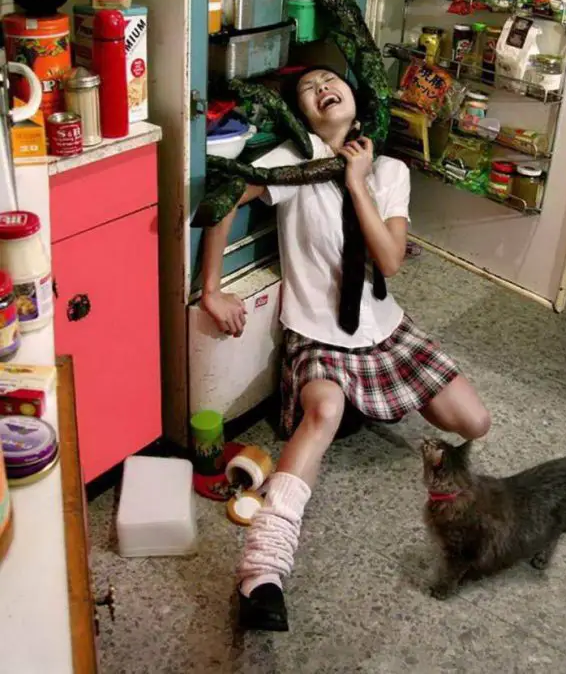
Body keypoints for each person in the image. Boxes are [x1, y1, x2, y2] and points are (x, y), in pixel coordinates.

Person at [201, 67, 491, 632]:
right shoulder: (293, 162)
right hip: (318, 332)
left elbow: (390, 261)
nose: (321, 88)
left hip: (384, 328)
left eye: (330, 80)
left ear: (355, 98)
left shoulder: (390, 171)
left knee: (474, 423)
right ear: (304, 114)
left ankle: (367, 399)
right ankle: (262, 572)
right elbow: (227, 195)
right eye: (308, 88)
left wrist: (357, 182)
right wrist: (212, 289)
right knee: (325, 411)